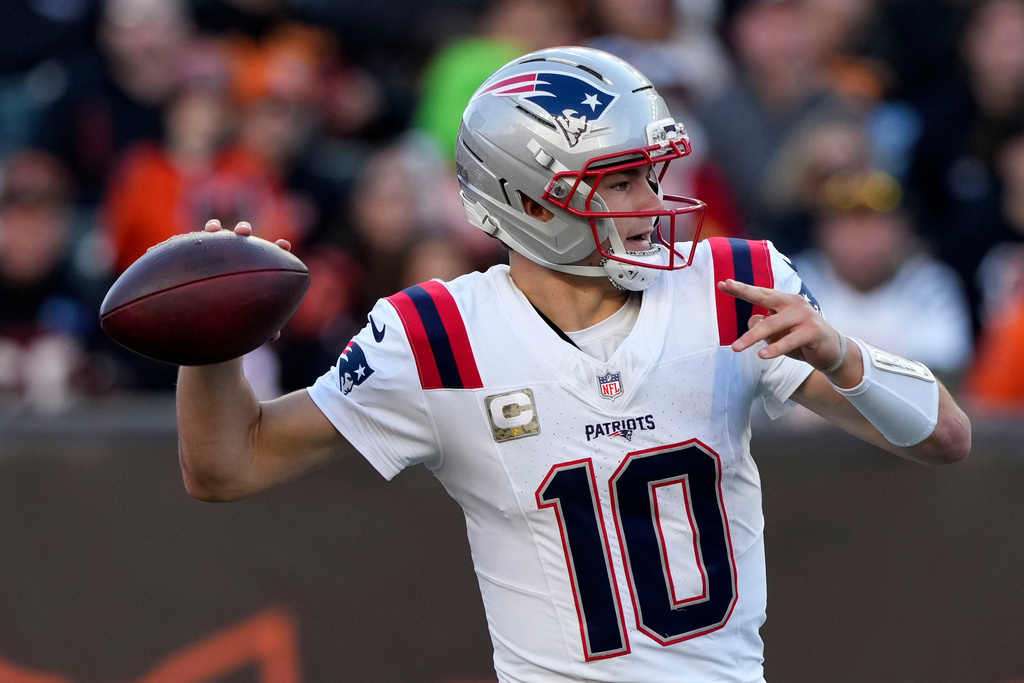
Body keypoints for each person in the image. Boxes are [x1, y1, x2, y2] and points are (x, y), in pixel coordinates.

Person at [176, 47, 971, 683]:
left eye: (650, 174)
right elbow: (226, 464)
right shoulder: (438, 335)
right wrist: (210, 340)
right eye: (620, 181)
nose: (651, 202)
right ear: (529, 201)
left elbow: (945, 437)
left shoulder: (730, 287)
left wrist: (844, 352)